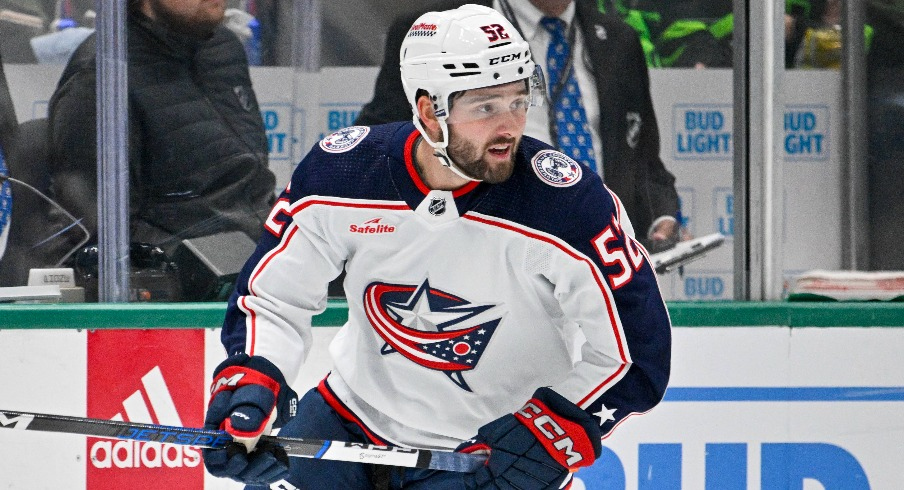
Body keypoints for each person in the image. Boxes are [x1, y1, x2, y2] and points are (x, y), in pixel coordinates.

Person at [202, 5, 671, 489]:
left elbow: (637, 352)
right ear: (428, 111)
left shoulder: (568, 203)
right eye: (485, 106)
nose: (510, 125)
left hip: (486, 455)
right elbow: (275, 297)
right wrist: (254, 377)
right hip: (349, 424)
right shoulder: (341, 172)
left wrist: (550, 433)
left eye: (518, 99)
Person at [355, 0, 684, 252]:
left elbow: (642, 160)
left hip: (595, 257)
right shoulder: (436, 31)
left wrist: (663, 217)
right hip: (478, 251)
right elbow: (380, 148)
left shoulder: (618, 40)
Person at [46, 0, 275, 269]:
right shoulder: (101, 74)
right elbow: (102, 237)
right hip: (190, 288)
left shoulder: (223, 48)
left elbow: (252, 185)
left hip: (268, 261)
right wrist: (210, 268)